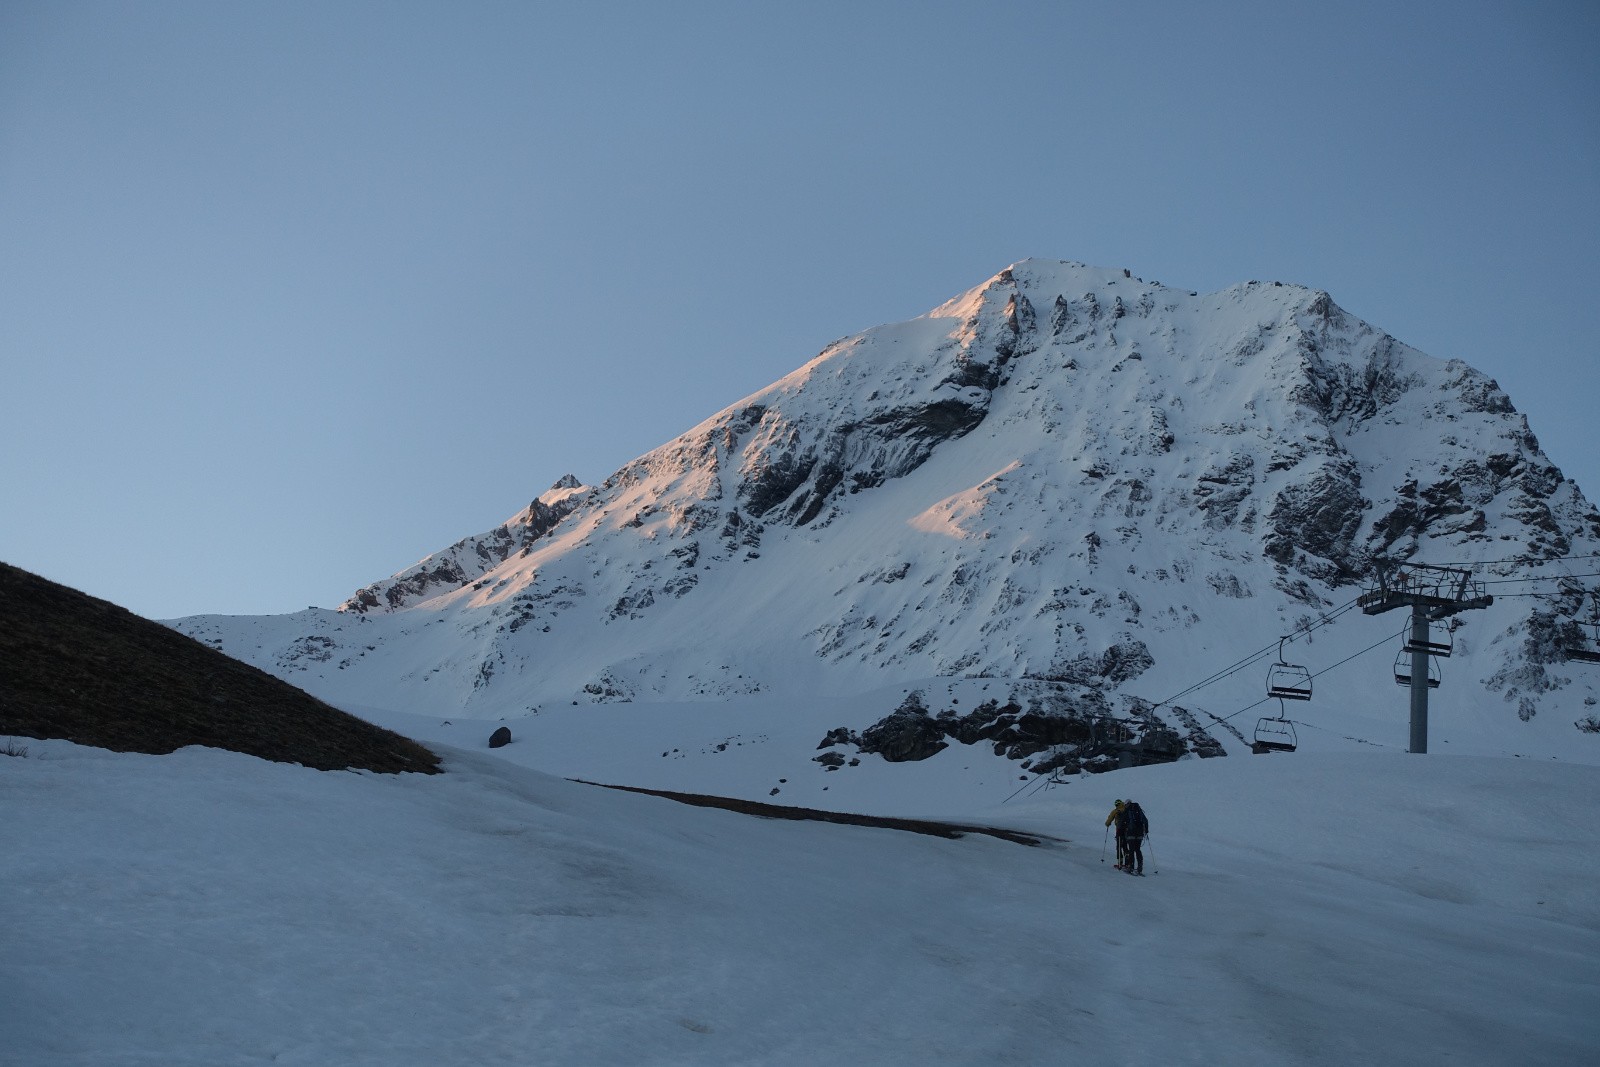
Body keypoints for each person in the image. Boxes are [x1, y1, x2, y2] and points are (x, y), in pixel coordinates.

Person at [1118, 799, 1149, 874]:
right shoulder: (1139, 810)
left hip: (1131, 832)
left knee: (1131, 849)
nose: (1125, 806)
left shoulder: (1127, 811)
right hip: (1140, 833)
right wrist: (1146, 831)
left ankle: (1130, 867)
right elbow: (1146, 820)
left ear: (1127, 804)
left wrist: (1120, 831)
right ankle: (1139, 868)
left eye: (1125, 805)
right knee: (1137, 849)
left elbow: (1121, 822)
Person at [1105, 799, 1127, 868]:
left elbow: (1108, 822)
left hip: (1119, 830)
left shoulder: (1115, 811)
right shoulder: (1126, 809)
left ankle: (1120, 862)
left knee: (1119, 846)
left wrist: (1107, 823)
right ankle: (1128, 862)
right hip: (1127, 830)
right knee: (1125, 846)